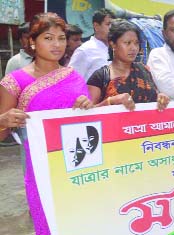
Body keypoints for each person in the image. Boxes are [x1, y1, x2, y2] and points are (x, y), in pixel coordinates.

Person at [0, 13, 95, 235]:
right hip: (41, 168)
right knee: (50, 221)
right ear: (33, 41)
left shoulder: (73, 76)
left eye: (62, 38)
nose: (57, 44)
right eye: (49, 38)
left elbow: (90, 121)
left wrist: (90, 105)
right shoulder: (14, 81)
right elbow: (2, 134)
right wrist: (3, 121)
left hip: (79, 162)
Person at [87, 19, 169, 110]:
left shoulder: (144, 70)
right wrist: (111, 101)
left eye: (136, 43)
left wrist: (161, 98)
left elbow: (153, 97)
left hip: (143, 123)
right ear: (113, 44)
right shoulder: (100, 76)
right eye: (127, 43)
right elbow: (89, 112)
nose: (133, 48)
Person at [69, 8, 115, 81]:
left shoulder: (116, 49)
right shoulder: (85, 51)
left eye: (113, 25)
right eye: (108, 24)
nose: (112, 28)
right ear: (96, 26)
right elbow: (71, 82)